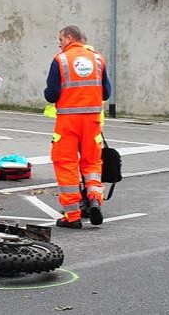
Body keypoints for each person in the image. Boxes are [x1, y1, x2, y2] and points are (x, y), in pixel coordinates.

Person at [44, 25, 111, 229]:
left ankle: (72, 215)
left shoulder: (60, 60)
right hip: (92, 121)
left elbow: (52, 94)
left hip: (68, 121)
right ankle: (95, 200)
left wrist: (50, 93)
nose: (59, 43)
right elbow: (106, 93)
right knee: (92, 163)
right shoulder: (98, 59)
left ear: (70, 38)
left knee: (66, 164)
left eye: (61, 39)